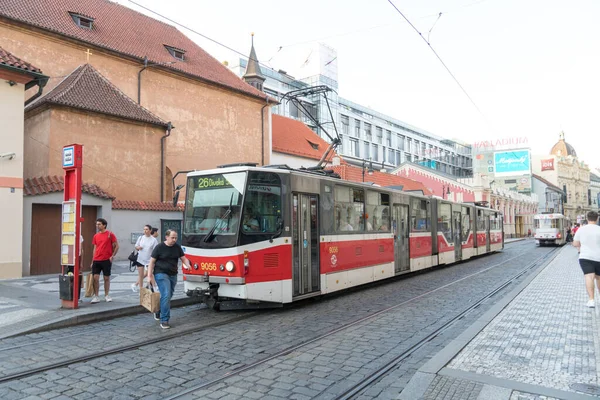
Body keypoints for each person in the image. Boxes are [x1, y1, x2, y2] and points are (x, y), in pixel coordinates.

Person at [148, 230, 191, 329]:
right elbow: (152, 262)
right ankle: (165, 320)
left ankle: (158, 310)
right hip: (161, 273)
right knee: (166, 294)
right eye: (172, 237)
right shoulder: (159, 247)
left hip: (173, 274)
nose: (174, 240)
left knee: (168, 295)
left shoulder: (177, 247)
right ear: (166, 237)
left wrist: (187, 264)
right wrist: (149, 276)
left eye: (176, 238)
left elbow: (183, 258)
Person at [573, 211, 600, 308]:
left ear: (587, 219)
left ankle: (591, 300)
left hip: (585, 257)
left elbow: (575, 244)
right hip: (599, 257)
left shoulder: (581, 229)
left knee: (589, 277)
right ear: (597, 219)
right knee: (599, 278)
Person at [90, 218, 119, 304]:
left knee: (106, 278)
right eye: (97, 224)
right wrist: (92, 260)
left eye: (99, 224)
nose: (97, 226)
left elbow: (117, 246)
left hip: (106, 259)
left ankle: (107, 295)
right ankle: (96, 296)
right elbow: (95, 248)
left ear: (104, 225)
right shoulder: (95, 236)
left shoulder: (110, 234)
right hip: (96, 259)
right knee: (95, 278)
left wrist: (112, 256)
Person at [131, 225, 158, 293]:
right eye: (144, 229)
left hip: (149, 260)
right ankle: (141, 290)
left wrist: (155, 259)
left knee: (150, 274)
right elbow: (136, 246)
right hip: (140, 259)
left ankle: (154, 288)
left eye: (146, 229)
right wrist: (138, 247)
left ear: (150, 230)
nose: (145, 231)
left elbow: (156, 250)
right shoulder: (141, 238)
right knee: (141, 275)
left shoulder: (154, 240)